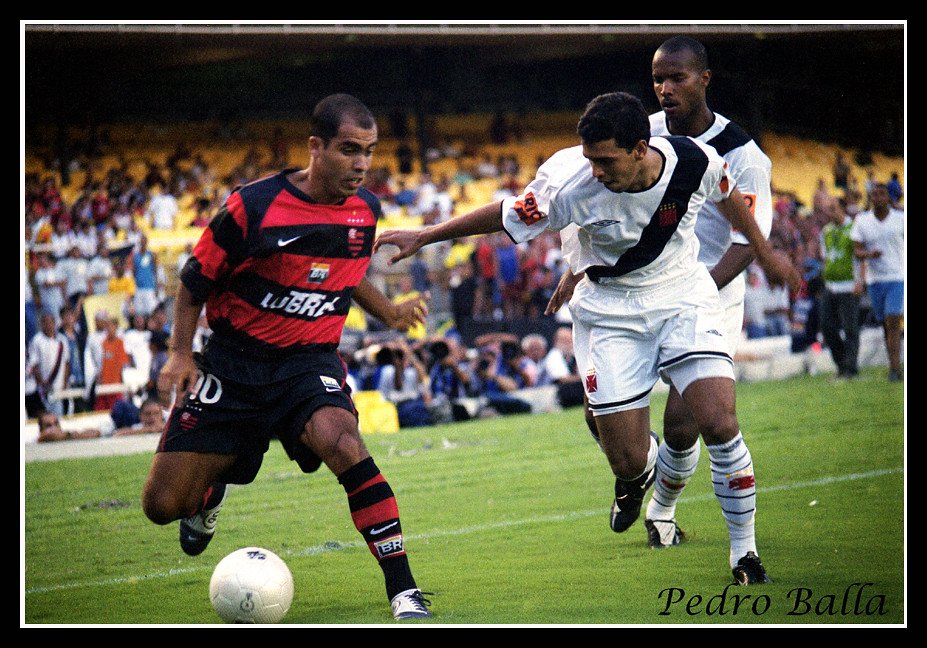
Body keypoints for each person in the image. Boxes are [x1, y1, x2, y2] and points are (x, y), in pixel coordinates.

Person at [375, 91, 799, 585]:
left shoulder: (695, 159)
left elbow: (728, 196)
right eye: (589, 159)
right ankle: (636, 474)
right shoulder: (573, 189)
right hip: (611, 313)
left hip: (683, 296)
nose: (594, 169)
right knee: (624, 455)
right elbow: (505, 214)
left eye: (604, 159)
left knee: (719, 421)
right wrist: (426, 235)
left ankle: (744, 554)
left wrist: (766, 254)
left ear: (641, 148)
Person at [142, 94, 433, 621]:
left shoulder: (364, 212)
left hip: (307, 363)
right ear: (315, 147)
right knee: (161, 507)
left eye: (368, 151)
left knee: (346, 445)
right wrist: (180, 354)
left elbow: (346, 271)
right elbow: (192, 283)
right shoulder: (250, 207)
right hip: (232, 364)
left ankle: (404, 590)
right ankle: (215, 488)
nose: (361, 164)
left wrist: (389, 313)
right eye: (349, 150)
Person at [851, 183, 905, 381]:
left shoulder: (900, 219)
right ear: (870, 198)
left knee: (892, 320)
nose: (878, 198)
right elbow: (856, 250)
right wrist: (868, 254)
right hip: (875, 280)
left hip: (897, 276)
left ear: (889, 197)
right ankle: (894, 364)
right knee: (885, 324)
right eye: (874, 194)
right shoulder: (862, 221)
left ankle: (895, 369)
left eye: (882, 194)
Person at [819, 197, 863, 379]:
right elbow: (825, 256)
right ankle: (841, 364)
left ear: (843, 209)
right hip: (831, 285)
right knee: (827, 326)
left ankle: (850, 367)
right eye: (828, 209)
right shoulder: (826, 231)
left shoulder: (854, 228)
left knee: (850, 328)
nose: (830, 213)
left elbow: (859, 257)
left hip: (849, 284)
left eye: (833, 208)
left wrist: (860, 281)